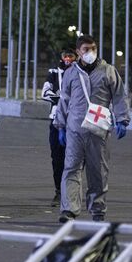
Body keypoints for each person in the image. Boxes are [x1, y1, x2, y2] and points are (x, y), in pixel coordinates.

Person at [53, 35, 130, 223]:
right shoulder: (71, 73)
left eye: (93, 48)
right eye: (86, 49)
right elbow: (64, 100)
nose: (90, 52)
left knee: (98, 171)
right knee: (71, 168)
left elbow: (119, 96)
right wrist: (60, 126)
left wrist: (122, 119)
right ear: (78, 52)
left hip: (98, 130)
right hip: (75, 130)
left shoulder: (108, 71)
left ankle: (97, 208)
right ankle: (69, 209)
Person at [40, 47, 77, 206]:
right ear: (62, 57)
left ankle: (71, 192)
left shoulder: (80, 73)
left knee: (76, 158)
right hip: (56, 119)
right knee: (57, 157)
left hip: (75, 120)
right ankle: (59, 190)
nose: (68, 58)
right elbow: (45, 92)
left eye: (71, 56)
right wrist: (63, 100)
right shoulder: (54, 72)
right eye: (65, 56)